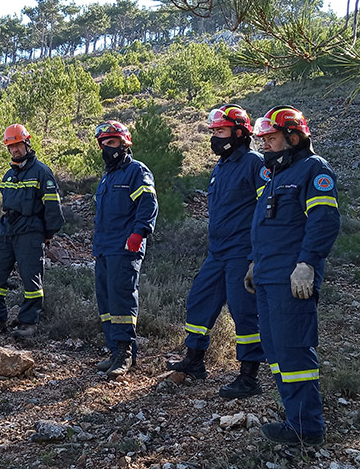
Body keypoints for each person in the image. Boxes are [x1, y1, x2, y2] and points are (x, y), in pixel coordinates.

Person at [246, 105, 340, 446]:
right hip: (268, 275)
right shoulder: (276, 176)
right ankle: (294, 418)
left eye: (271, 139)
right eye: (263, 140)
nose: (265, 146)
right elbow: (266, 226)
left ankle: (306, 426)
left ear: (294, 137)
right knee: (275, 351)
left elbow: (324, 221)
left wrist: (308, 263)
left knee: (294, 351)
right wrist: (254, 263)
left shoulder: (314, 169)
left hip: (292, 278)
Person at [168, 105, 268, 397]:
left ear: (239, 133)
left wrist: (256, 256)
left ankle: (249, 377)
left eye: (221, 131)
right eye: (214, 132)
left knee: (244, 313)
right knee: (199, 300)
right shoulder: (221, 167)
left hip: (242, 252)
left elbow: (266, 210)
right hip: (217, 252)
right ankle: (194, 360)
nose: (215, 138)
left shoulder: (255, 163)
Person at [0, 124, 64, 337]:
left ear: (27, 143)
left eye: (18, 145)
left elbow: (53, 208)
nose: (15, 150)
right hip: (7, 229)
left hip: (30, 230)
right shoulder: (9, 175)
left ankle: (28, 323)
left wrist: (47, 234)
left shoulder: (42, 172)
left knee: (31, 278)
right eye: (11, 146)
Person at [92, 120, 158, 378]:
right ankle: (113, 351)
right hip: (104, 248)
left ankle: (125, 353)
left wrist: (139, 233)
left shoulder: (136, 171)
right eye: (104, 144)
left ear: (124, 143)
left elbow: (148, 203)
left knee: (122, 299)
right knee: (106, 301)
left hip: (125, 247)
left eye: (112, 142)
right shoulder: (107, 178)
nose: (108, 148)